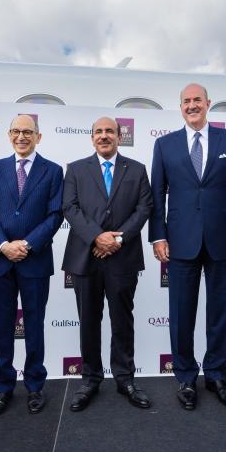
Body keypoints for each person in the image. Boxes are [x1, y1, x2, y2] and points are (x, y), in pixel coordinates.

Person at [149, 83, 226, 410]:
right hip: (180, 242)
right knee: (181, 313)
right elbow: (156, 195)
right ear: (180, 107)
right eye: (186, 101)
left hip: (223, 240)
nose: (192, 105)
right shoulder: (164, 145)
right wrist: (158, 235)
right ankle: (184, 376)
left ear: (208, 104)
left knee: (220, 310)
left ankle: (216, 374)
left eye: (197, 100)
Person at [62, 117, 154, 411]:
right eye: (99, 132)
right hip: (85, 258)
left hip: (123, 258)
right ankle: (90, 378)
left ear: (119, 136)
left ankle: (125, 378)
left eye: (110, 132)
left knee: (122, 321)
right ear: (92, 138)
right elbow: (70, 208)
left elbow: (144, 208)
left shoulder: (137, 170)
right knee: (89, 321)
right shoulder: (76, 169)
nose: (104, 136)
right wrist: (97, 238)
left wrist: (117, 240)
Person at [0, 114, 63, 416]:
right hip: (0, 261)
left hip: (35, 261)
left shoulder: (53, 171)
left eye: (28, 132)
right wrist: (4, 245)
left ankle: (35, 385)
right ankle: (3, 386)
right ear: (9, 135)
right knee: (2, 327)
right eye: (16, 131)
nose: (21, 137)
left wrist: (26, 245)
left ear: (38, 137)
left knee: (35, 326)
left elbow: (55, 215)